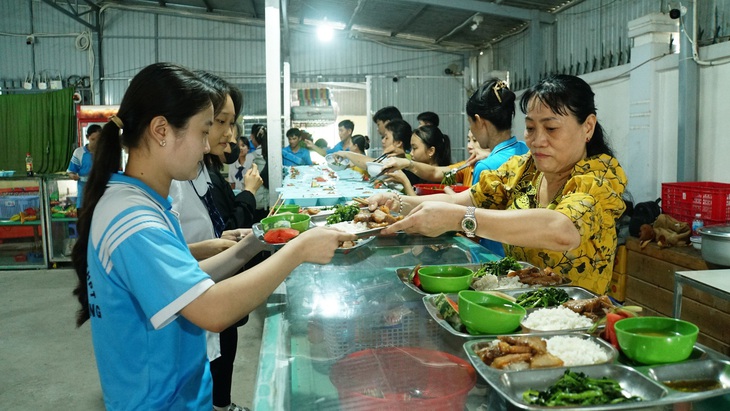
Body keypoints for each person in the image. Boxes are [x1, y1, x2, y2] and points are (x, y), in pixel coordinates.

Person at [71, 62, 355, 410]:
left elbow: (188, 283)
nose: (208, 148)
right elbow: (211, 309)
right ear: (161, 130)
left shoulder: (145, 202)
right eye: (204, 131)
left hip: (181, 393)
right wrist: (296, 251)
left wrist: (254, 243)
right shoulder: (132, 219)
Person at [368, 74, 627, 295]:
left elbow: (561, 230)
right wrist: (399, 203)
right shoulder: (525, 168)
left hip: (574, 320)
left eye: (551, 129)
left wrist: (461, 219)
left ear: (588, 127)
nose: (537, 140)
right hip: (519, 304)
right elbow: (464, 199)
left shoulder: (600, 175)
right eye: (530, 128)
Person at [469, 79, 530, 186]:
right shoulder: (528, 150)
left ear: (479, 121)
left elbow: (474, 202)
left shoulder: (484, 168)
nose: (472, 130)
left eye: (470, 123)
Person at [380, 130, 489, 188]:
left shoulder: (495, 167)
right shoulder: (466, 167)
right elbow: (435, 173)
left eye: (475, 140)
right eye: (468, 140)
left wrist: (405, 180)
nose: (469, 146)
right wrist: (407, 163)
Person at [384, 125, 452, 195]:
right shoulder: (419, 174)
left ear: (431, 151)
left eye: (414, 148)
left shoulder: (442, 180)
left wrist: (404, 181)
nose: (411, 153)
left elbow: (420, 203)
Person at [67, 124, 101, 209]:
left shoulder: (104, 153)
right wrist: (72, 176)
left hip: (100, 195)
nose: (96, 142)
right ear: (87, 137)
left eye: (99, 139)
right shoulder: (79, 152)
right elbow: (71, 171)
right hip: (84, 195)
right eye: (93, 139)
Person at [228, 127, 253, 191]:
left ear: (248, 148)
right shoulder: (232, 164)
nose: (240, 148)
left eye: (243, 145)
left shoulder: (252, 163)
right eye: (238, 146)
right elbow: (232, 184)